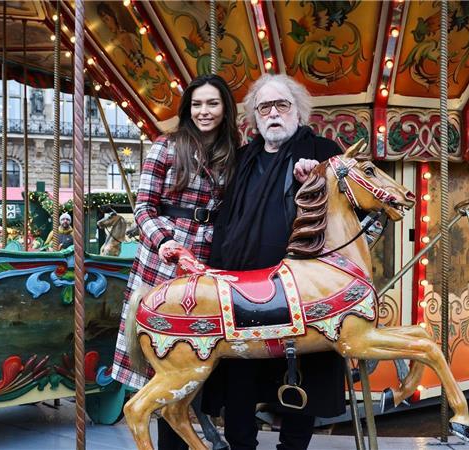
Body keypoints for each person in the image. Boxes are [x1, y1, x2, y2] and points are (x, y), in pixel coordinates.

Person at [202, 73, 346, 450]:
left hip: (299, 288)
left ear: (299, 111)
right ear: (254, 117)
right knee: (240, 375)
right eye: (264, 107)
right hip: (243, 286)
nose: (274, 113)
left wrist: (315, 180)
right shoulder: (244, 159)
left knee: (301, 371)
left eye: (282, 105)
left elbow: (349, 210)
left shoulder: (321, 151)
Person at [111, 74, 240, 450]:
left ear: (224, 108)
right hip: (166, 256)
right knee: (167, 355)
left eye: (212, 103)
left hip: (210, 255)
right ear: (188, 109)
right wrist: (164, 242)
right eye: (197, 104)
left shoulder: (233, 152)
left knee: (197, 353)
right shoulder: (166, 147)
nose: (204, 111)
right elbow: (144, 206)